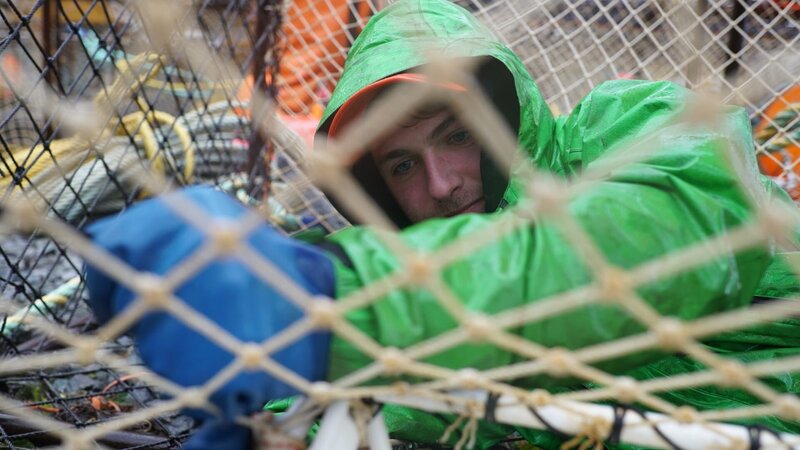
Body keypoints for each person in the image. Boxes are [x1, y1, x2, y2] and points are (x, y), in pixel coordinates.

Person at [84, 0, 800, 448]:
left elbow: (649, 240)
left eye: (457, 135)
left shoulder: (635, 124)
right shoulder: (415, 291)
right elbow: (368, 389)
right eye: (400, 165)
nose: (441, 183)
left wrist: (335, 300)